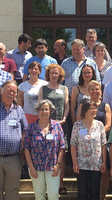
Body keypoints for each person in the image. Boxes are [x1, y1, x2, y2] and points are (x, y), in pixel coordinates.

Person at [24, 100, 66, 200]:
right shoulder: (31, 128)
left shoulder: (57, 126)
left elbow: (62, 146)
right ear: (38, 111)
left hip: (52, 167)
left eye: (46, 109)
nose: (44, 112)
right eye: (41, 109)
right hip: (36, 167)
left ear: (50, 111)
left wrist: (58, 164)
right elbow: (26, 148)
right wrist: (31, 167)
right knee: (39, 196)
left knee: (53, 195)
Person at [38, 64, 70, 194]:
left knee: (61, 153)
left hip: (61, 124)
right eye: (52, 73)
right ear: (48, 74)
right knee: (47, 151)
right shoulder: (43, 88)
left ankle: (60, 184)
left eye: (56, 73)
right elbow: (40, 106)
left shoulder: (64, 88)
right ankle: (46, 185)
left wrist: (64, 118)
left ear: (60, 75)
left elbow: (67, 105)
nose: (54, 75)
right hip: (47, 125)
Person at [71, 99, 106, 200]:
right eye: (92, 109)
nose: (94, 111)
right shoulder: (77, 125)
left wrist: (104, 162)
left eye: (96, 108)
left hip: (96, 164)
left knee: (95, 193)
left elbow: (103, 144)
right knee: (82, 193)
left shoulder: (99, 125)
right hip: (81, 164)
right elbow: (73, 145)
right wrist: (74, 163)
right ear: (85, 110)